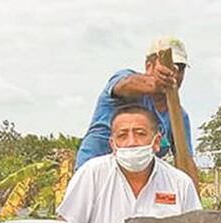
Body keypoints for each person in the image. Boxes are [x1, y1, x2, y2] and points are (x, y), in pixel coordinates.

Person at [57, 105, 201, 223]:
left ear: (156, 142)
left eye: (140, 134)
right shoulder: (92, 174)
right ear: (113, 145)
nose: (131, 142)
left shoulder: (180, 183)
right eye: (122, 135)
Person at [74, 36, 193, 170]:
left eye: (180, 68)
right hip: (94, 176)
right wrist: (154, 83)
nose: (174, 74)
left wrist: (190, 190)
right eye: (168, 66)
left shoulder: (179, 117)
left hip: (136, 181)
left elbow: (186, 161)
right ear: (149, 66)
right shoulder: (126, 82)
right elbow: (125, 85)